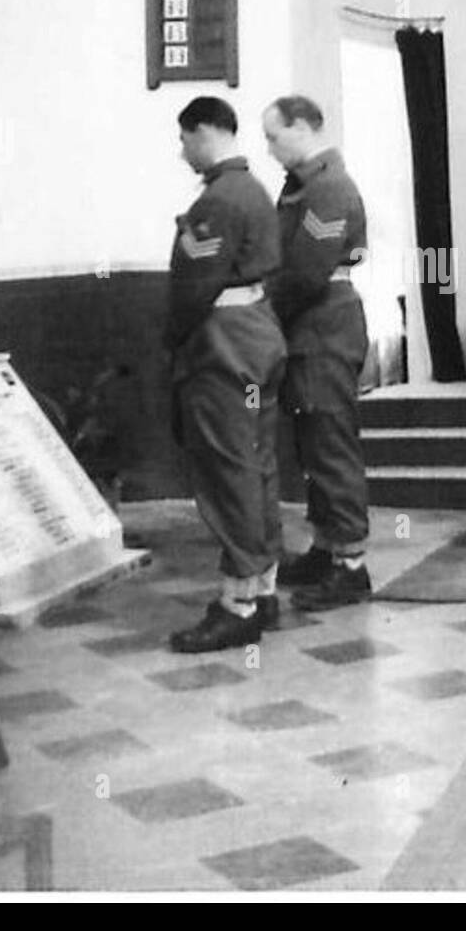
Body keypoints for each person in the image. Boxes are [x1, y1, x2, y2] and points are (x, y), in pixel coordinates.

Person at [164, 96, 287, 653]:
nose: (182, 148)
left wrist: (173, 340)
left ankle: (237, 605)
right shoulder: (256, 189)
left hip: (222, 346)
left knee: (227, 469)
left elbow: (194, 287)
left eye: (185, 137)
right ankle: (262, 591)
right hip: (258, 335)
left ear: (206, 131)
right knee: (257, 465)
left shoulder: (217, 200)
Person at [261, 95, 372, 610]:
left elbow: (304, 272)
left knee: (330, 446)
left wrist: (260, 314)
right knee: (313, 447)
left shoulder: (328, 187)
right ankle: (328, 550)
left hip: (323, 326)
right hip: (311, 329)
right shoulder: (305, 185)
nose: (269, 147)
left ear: (304, 128)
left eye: (275, 136)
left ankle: (351, 566)